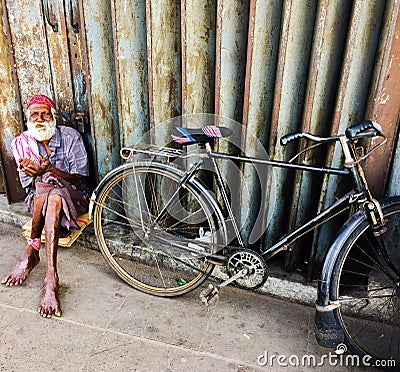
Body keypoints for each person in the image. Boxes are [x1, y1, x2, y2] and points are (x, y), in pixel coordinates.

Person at [1, 94, 90, 318]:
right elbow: (29, 188)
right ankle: (51, 277)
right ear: (28, 119)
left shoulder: (70, 137)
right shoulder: (23, 143)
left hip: (74, 198)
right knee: (48, 192)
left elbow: (80, 180)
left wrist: (51, 170)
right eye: (34, 115)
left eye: (45, 114)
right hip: (40, 202)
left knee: (55, 193)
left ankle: (33, 253)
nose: (39, 119)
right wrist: (36, 175)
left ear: (53, 117)